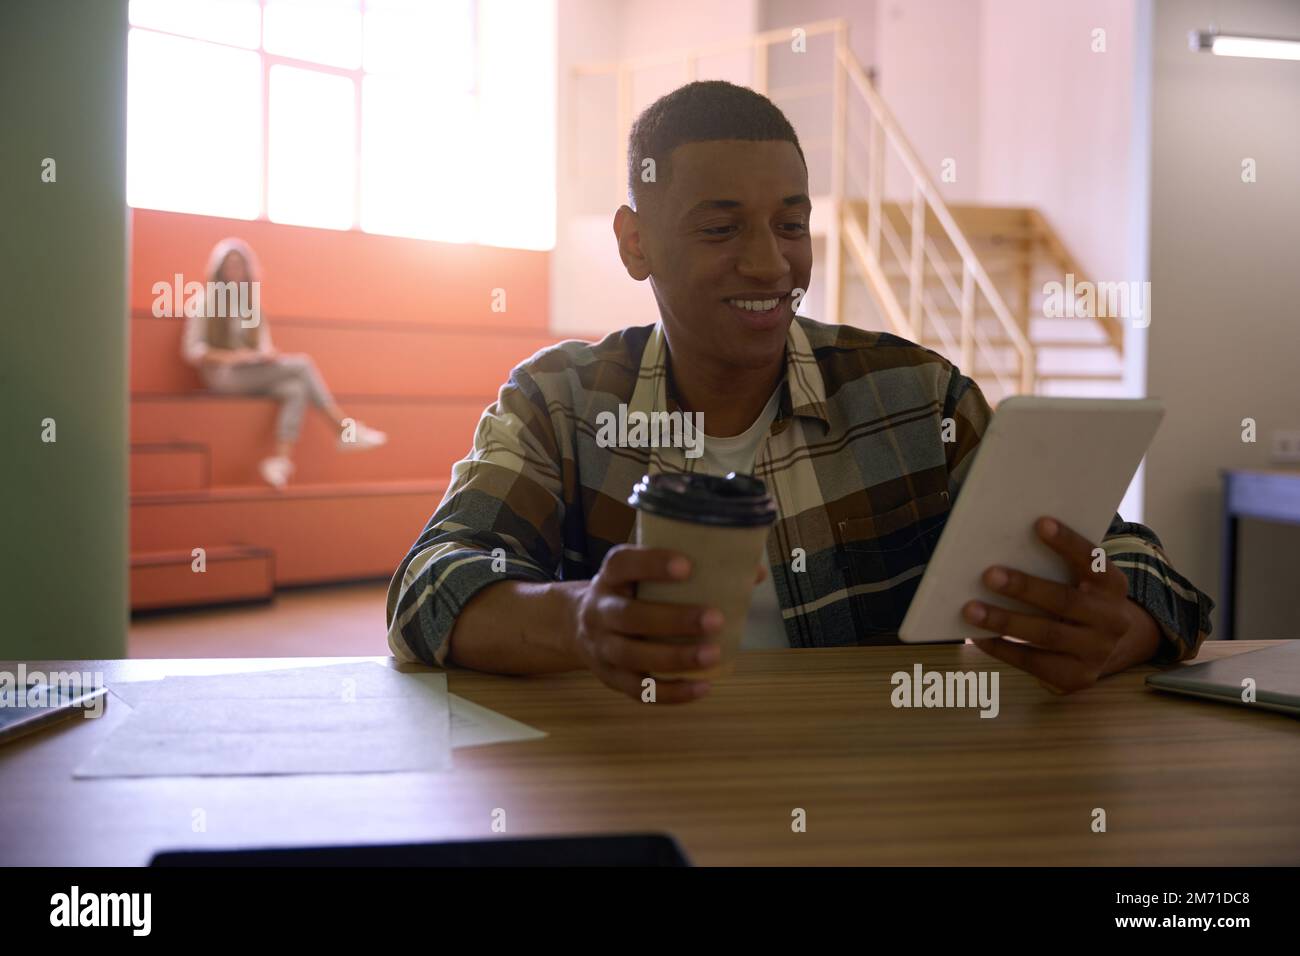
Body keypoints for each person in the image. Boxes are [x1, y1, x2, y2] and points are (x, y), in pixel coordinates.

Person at [386, 81, 1213, 703]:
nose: (771, 264)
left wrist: (1114, 632)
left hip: (872, 801)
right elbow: (433, 583)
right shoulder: (558, 405)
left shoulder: (917, 397)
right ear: (635, 244)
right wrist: (576, 620)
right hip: (634, 789)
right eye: (720, 228)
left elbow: (1146, 570)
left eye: (790, 223)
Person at [181, 238, 387, 489]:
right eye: (229, 265)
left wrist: (265, 355)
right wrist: (234, 357)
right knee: (302, 364)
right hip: (222, 374)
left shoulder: (250, 305)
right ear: (219, 270)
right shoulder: (207, 301)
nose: (235, 271)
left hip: (253, 372)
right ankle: (344, 430)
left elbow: (262, 346)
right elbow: (193, 350)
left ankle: (279, 461)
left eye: (240, 266)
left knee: (296, 389)